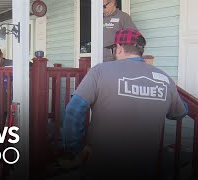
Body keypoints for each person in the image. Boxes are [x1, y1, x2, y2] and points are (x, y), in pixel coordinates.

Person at [62, 29, 188, 179]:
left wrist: (77, 148)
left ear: (119, 48)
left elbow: (74, 110)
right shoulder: (164, 79)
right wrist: (173, 91)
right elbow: (179, 113)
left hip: (101, 166)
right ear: (140, 51)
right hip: (144, 167)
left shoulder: (100, 71)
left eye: (114, 49)